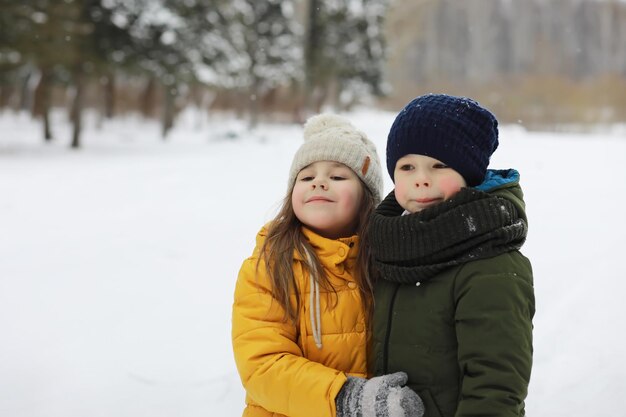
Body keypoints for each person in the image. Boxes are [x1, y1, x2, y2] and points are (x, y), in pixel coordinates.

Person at [232, 114, 424, 417]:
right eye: (306, 177)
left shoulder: (390, 262)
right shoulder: (269, 266)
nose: (319, 182)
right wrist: (347, 398)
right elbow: (262, 366)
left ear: (367, 199)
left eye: (337, 177)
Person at [369, 94, 535, 417]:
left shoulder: (491, 263)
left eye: (439, 165)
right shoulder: (391, 247)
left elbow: (496, 388)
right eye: (406, 167)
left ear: (469, 174)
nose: (421, 178)